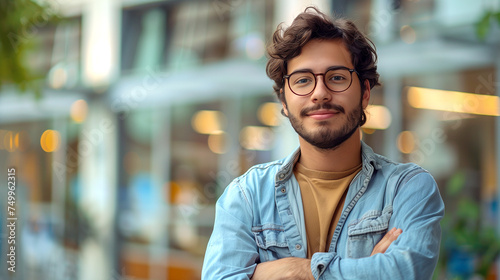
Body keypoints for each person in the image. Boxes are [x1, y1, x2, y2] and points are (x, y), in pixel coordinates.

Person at [202, 6, 444, 280]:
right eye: (303, 80)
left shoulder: (406, 189)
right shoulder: (247, 196)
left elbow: (404, 272)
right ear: (283, 100)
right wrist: (367, 269)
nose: (319, 93)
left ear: (365, 92)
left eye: (337, 77)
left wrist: (299, 270)